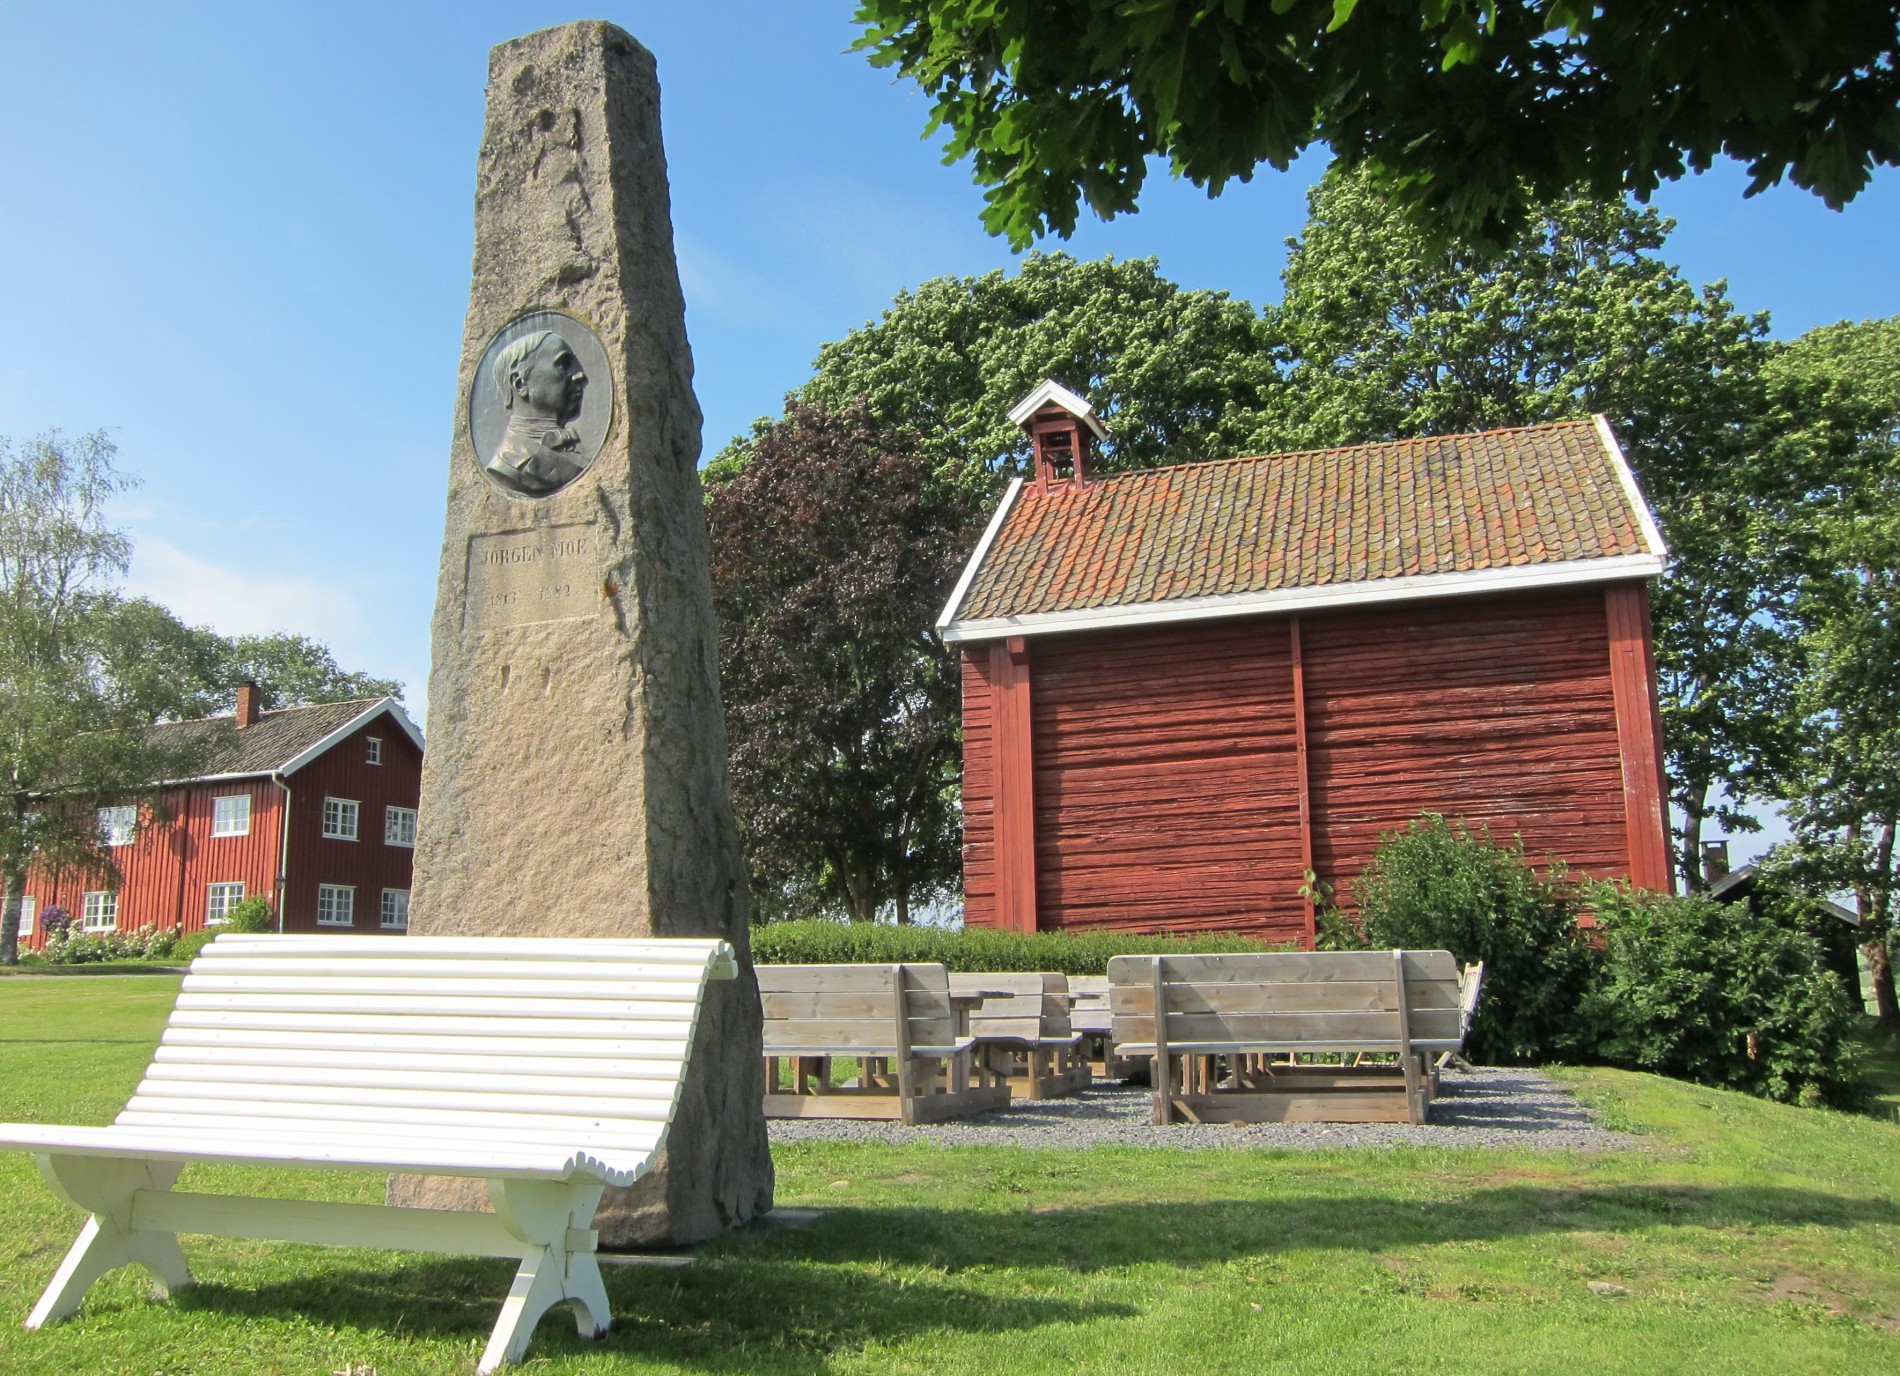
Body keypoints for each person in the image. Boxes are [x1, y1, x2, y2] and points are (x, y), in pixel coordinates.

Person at [482, 329, 590, 495]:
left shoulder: (578, 453)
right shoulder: (507, 464)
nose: (581, 376)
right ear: (519, 383)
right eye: (564, 364)